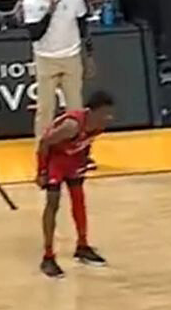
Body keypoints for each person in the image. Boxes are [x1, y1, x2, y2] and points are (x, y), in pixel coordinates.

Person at [37, 91, 115, 278]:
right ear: (93, 112)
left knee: (79, 201)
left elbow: (87, 142)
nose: (109, 117)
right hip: (55, 161)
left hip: (73, 160)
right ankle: (48, 256)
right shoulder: (72, 126)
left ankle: (82, 246)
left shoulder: (99, 126)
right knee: (53, 204)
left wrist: (85, 159)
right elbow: (44, 142)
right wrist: (42, 171)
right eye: (105, 113)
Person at [22, 0, 91, 137]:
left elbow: (83, 26)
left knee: (75, 108)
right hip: (45, 58)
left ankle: (76, 144)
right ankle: (42, 145)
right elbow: (35, 34)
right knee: (45, 108)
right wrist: (49, 13)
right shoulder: (31, 0)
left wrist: (89, 54)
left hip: (71, 55)